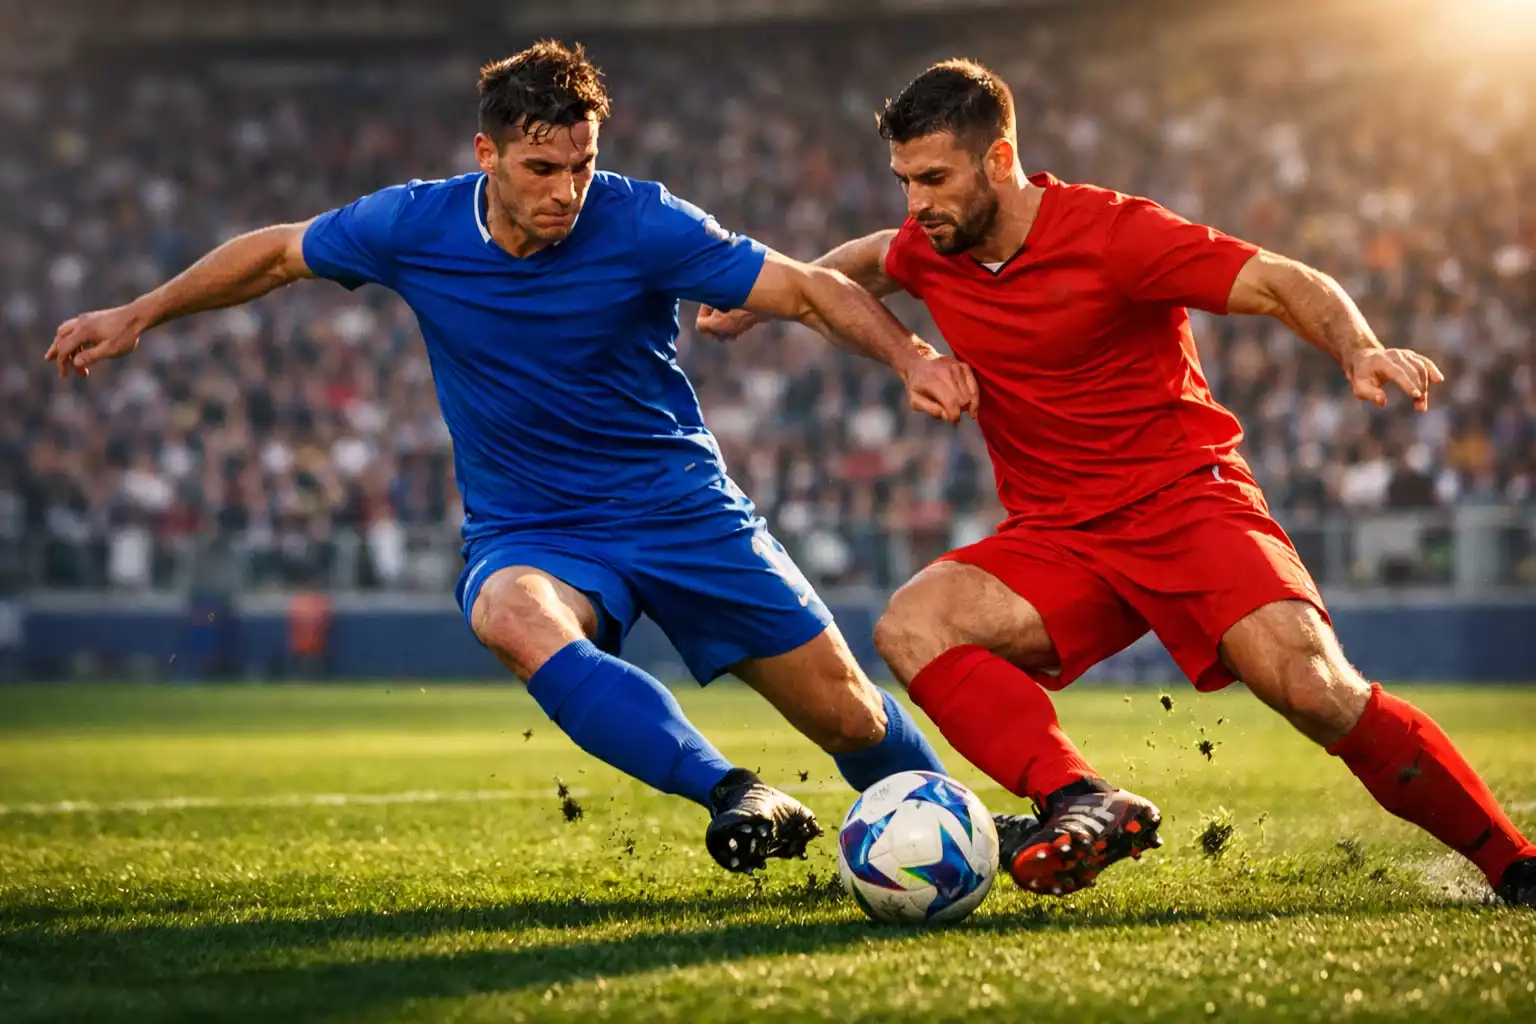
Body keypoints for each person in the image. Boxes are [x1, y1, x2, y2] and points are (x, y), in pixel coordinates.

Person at [46, 42, 996, 875]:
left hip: (682, 509)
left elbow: (802, 288)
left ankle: (952, 823)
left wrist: (908, 354)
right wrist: (138, 314)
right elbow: (276, 255)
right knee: (508, 613)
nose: (565, 191)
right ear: (486, 155)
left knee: (846, 717)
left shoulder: (643, 221)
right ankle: (735, 793)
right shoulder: (412, 225)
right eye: (542, 166)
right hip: (536, 527)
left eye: (581, 166)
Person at [699, 59, 1536, 905]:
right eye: (905, 181)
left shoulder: (1114, 232)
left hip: (1188, 503)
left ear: (999, 161)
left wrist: (1359, 347)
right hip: (1061, 537)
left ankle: (1512, 861)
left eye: (933, 179)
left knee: (1314, 690)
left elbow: (1285, 281)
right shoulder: (932, 243)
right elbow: (866, 262)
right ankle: (1083, 801)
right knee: (915, 625)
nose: (916, 203)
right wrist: (764, 296)